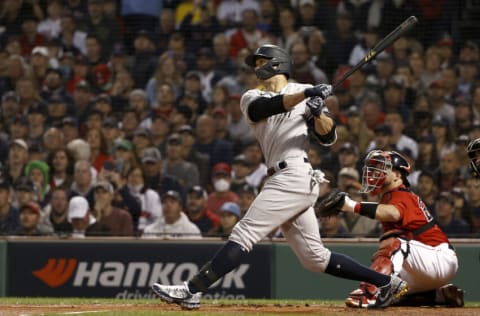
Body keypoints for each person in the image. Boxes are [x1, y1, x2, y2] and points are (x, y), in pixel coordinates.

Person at [152, 44, 408, 310]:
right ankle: (385, 282)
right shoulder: (251, 96)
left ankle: (192, 290)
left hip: (295, 174)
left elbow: (328, 137)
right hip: (282, 175)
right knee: (315, 259)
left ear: (277, 63)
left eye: (261, 61)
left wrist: (319, 110)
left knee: (245, 232)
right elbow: (266, 108)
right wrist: (307, 94)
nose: (256, 67)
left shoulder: (305, 92)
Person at [332, 150, 463, 308]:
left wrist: (350, 205)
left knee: (394, 243)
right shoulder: (391, 196)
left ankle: (369, 292)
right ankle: (439, 295)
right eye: (375, 168)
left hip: (439, 257)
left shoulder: (401, 194)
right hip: (425, 265)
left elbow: (393, 213)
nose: (375, 172)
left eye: (383, 168)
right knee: (396, 290)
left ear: (397, 175)